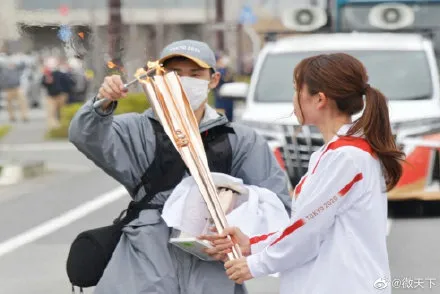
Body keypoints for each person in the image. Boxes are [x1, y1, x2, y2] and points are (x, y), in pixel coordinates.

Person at [68, 39, 291, 294]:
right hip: (145, 264)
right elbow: (85, 136)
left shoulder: (239, 139)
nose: (184, 81)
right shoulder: (138, 129)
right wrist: (103, 102)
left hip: (212, 271)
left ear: (214, 80)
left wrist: (242, 235)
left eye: (195, 74)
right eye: (174, 73)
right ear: (159, 77)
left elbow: (276, 205)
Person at [199, 53, 405, 294]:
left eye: (298, 89)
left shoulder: (346, 157)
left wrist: (255, 265)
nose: (294, 99)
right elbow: (307, 225)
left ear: (319, 99)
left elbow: (308, 230)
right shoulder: (336, 153)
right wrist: (251, 244)